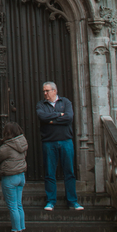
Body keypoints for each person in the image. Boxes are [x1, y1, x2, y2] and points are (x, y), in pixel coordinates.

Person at [36, 82, 83, 211]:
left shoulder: (65, 102)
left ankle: (72, 201)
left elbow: (69, 117)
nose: (45, 93)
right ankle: (51, 201)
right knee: (50, 173)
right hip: (49, 142)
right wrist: (59, 115)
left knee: (69, 172)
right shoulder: (41, 105)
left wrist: (52, 120)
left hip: (66, 141)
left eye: (47, 91)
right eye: (44, 91)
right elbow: (42, 116)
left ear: (55, 91)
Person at [0, 121, 28, 232]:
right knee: (18, 205)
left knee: (13, 206)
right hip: (21, 176)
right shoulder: (23, 142)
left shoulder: (7, 146)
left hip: (10, 177)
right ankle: (21, 231)